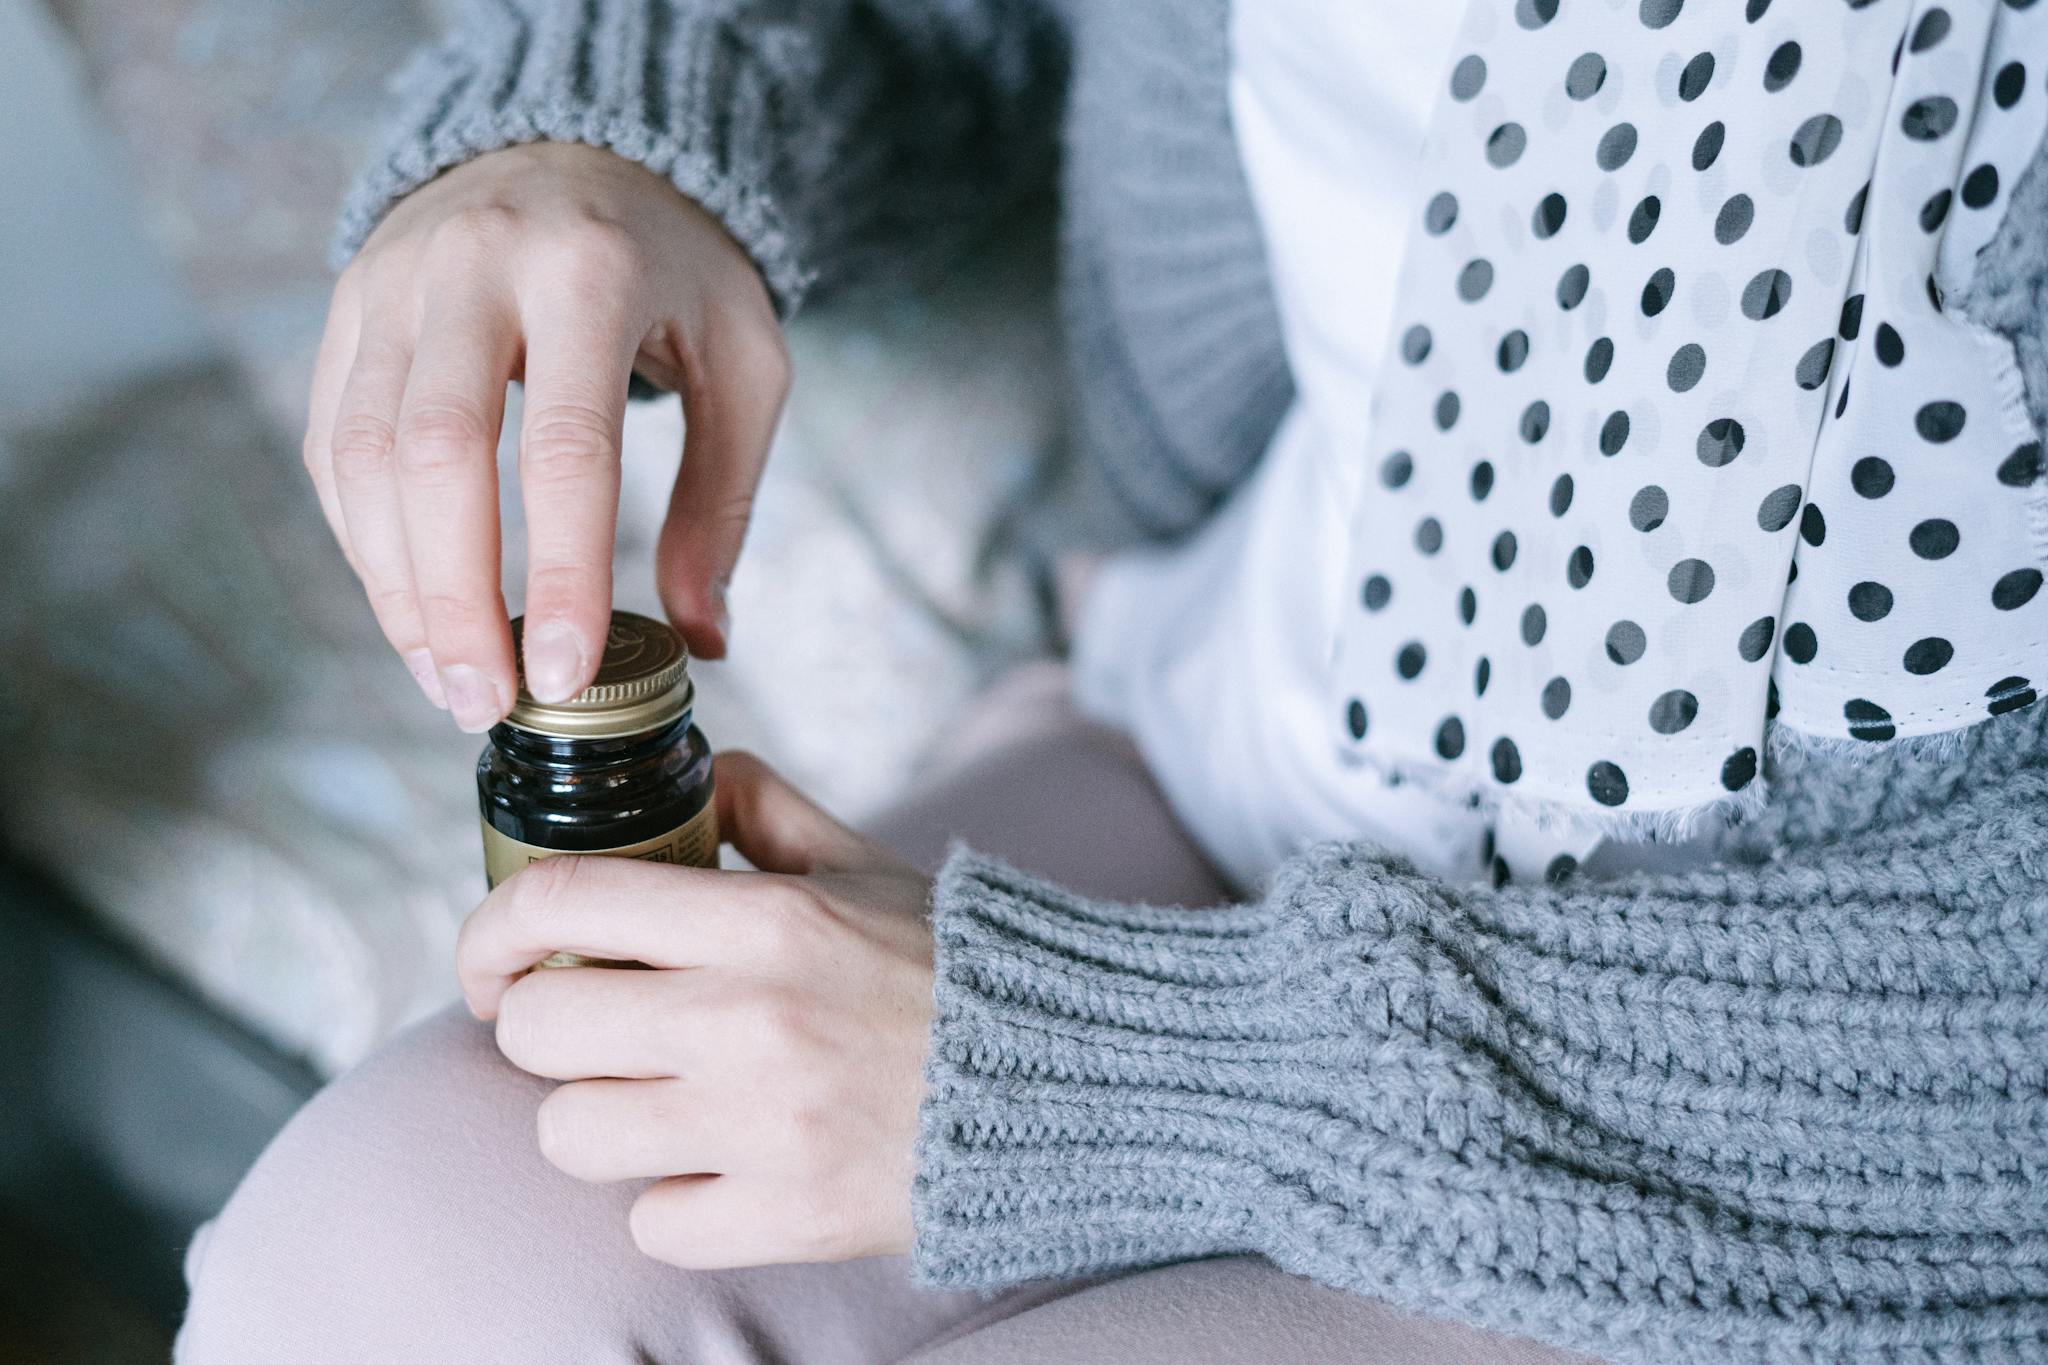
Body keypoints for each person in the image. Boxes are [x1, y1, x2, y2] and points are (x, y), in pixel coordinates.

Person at [178, 1, 2048, 1361]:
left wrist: (1127, 1069)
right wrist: (594, 133)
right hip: (1248, 747)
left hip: (1812, 1124)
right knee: (365, 1282)